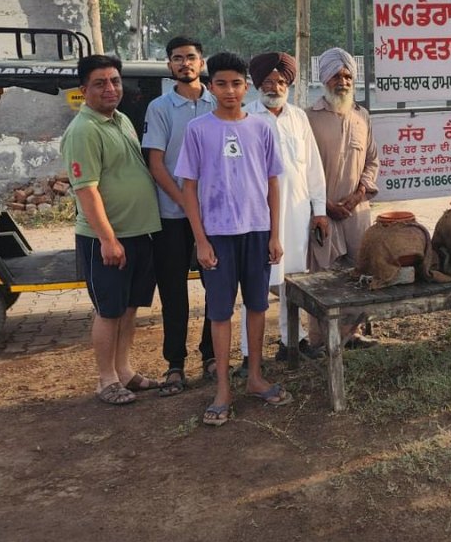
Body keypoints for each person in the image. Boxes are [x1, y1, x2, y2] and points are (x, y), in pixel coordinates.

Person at [175, 51, 289, 426]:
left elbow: (273, 182)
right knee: (220, 312)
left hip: (257, 232)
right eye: (221, 83)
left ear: (246, 87)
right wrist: (201, 240)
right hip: (218, 236)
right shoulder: (198, 130)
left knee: (257, 306)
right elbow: (188, 188)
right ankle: (223, 388)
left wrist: (275, 233)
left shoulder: (262, 127)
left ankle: (255, 377)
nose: (229, 90)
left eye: (236, 84)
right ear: (210, 87)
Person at [61, 54, 162, 405]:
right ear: (83, 89)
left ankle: (124, 371)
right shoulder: (84, 130)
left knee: (129, 308)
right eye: (100, 82)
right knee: (109, 311)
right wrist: (108, 238)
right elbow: (86, 189)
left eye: (115, 81)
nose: (110, 88)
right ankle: (106, 380)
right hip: (107, 239)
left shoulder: (121, 120)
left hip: (137, 234)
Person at [239, 51, 329, 361]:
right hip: (256, 217)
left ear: (288, 85)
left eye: (280, 82)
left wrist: (319, 211)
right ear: (256, 84)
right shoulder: (244, 117)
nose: (274, 87)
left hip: (296, 212)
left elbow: (313, 167)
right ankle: (250, 354)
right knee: (256, 285)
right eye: (267, 81)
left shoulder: (298, 117)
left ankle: (293, 342)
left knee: (293, 282)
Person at [141, 35, 216, 393]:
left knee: (216, 285)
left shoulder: (219, 102)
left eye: (190, 57)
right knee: (173, 291)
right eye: (177, 59)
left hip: (215, 216)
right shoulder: (159, 108)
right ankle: (175, 363)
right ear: (169, 65)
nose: (184, 63)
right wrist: (187, 204)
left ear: (201, 62)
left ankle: (212, 355)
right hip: (172, 215)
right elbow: (156, 164)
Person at [306, 47, 379, 353]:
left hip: (357, 212)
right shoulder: (308, 118)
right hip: (321, 214)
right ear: (324, 78)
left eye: (348, 75)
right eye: (337, 75)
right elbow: (302, 168)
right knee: (322, 278)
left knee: (360, 272)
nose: (343, 81)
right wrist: (322, 205)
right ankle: (321, 341)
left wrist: (360, 193)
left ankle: (352, 334)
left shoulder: (362, 116)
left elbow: (372, 161)